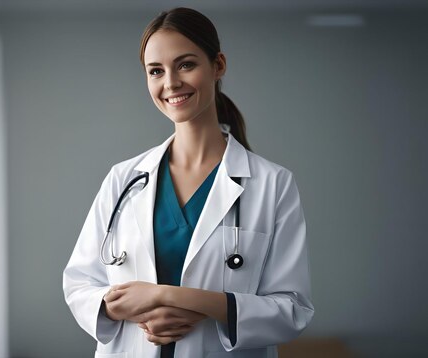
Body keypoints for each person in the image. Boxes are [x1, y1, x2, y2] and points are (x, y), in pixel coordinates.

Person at [63, 7, 314, 358]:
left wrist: (177, 298)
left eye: (185, 65)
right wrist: (120, 307)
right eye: (155, 71)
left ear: (218, 65)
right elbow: (80, 284)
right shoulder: (124, 178)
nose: (170, 83)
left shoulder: (273, 184)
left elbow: (292, 310)